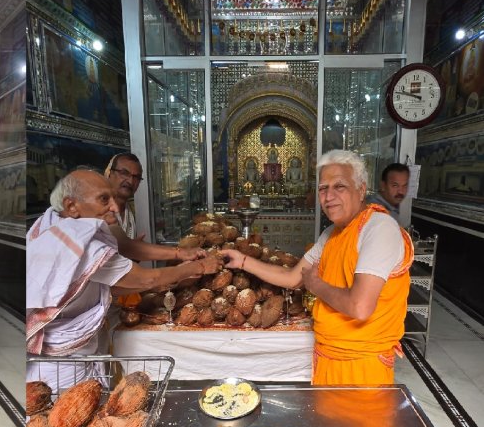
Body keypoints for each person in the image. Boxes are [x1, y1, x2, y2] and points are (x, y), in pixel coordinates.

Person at [221, 150, 413, 386]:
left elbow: (360, 306)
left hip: (362, 363)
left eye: (339, 186)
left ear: (361, 190)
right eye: (323, 188)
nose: (329, 196)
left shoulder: (379, 228)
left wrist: (316, 285)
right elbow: (293, 277)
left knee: (359, 423)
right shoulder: (331, 233)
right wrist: (242, 261)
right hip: (327, 354)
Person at [26, 170, 222, 391]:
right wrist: (199, 266)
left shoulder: (51, 225)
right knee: (64, 413)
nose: (115, 207)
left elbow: (98, 284)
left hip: (62, 349)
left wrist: (177, 264)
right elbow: (148, 278)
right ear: (71, 206)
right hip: (62, 362)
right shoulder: (82, 246)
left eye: (113, 198)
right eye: (104, 199)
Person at [104, 153, 207, 263]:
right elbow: (125, 247)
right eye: (124, 173)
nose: (130, 181)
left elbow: (126, 250)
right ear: (109, 173)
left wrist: (134, 252)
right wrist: (180, 253)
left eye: (136, 177)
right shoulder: (101, 211)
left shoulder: (130, 210)